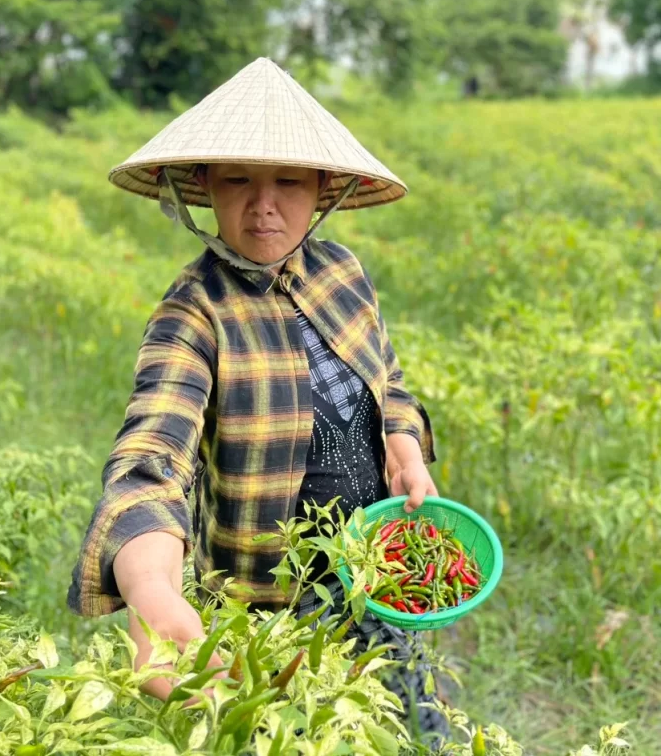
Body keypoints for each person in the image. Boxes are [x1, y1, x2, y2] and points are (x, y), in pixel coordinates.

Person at [66, 57, 451, 743]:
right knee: (293, 730)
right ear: (205, 187)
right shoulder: (194, 315)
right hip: (272, 602)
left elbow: (389, 383)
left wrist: (404, 444)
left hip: (378, 568)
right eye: (238, 179)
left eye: (288, 182)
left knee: (405, 720)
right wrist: (152, 586)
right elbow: (153, 451)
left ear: (324, 188)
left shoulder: (344, 274)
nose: (263, 204)